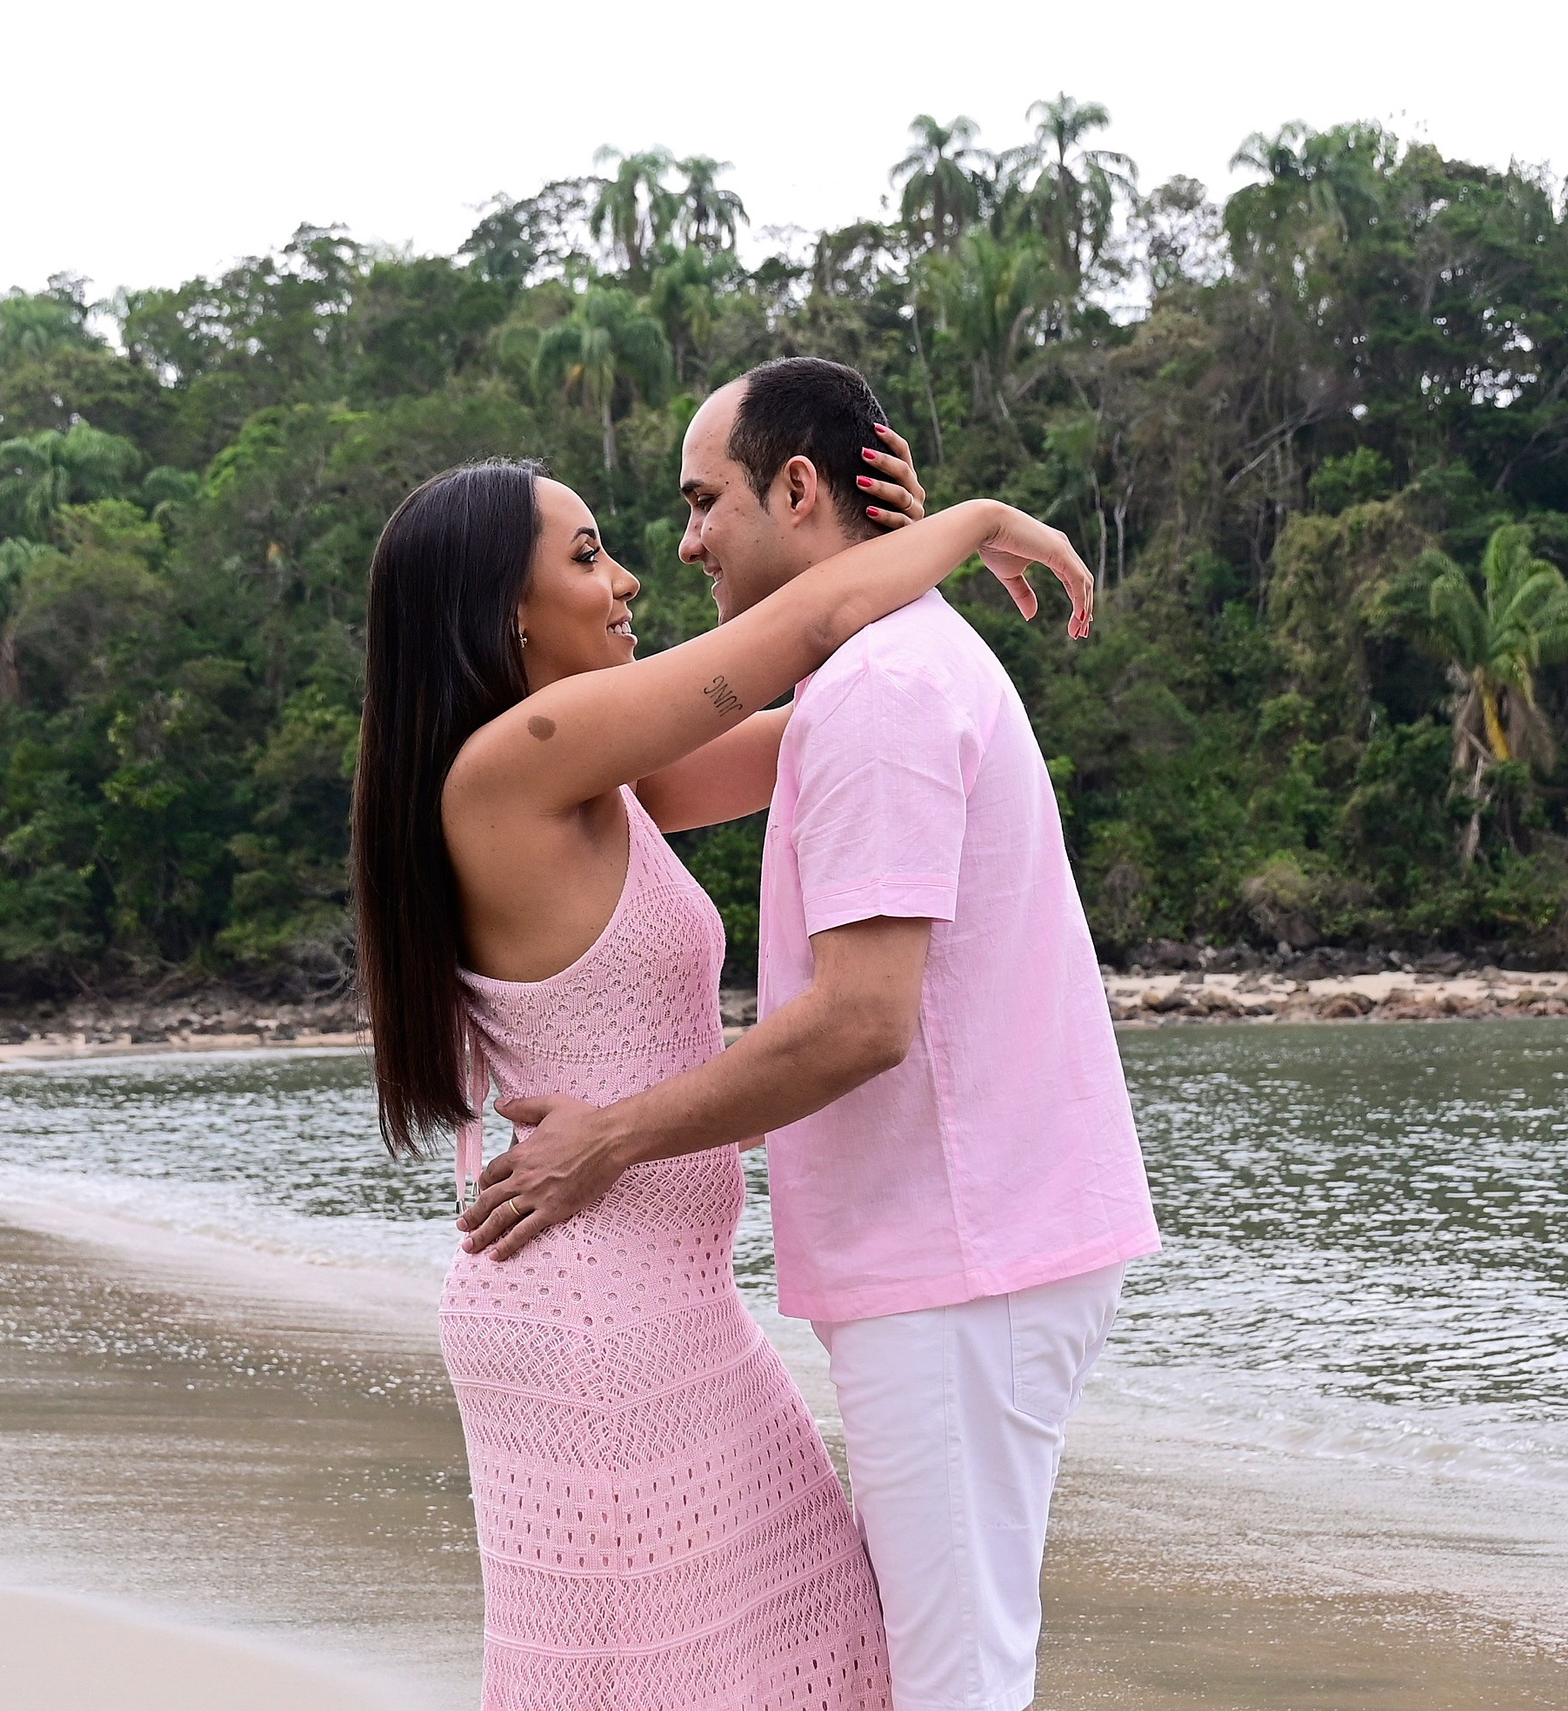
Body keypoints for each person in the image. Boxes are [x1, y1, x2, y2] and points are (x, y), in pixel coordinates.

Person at [461, 357, 1162, 1711]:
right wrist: (944, 539)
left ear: (796, 488)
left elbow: (860, 1024)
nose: (674, 551)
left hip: (960, 1260)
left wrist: (609, 1140)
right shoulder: (841, 688)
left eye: (701, 502)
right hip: (926, 1257)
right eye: (608, 545)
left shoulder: (881, 692)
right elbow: (731, 705)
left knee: (947, 1684)